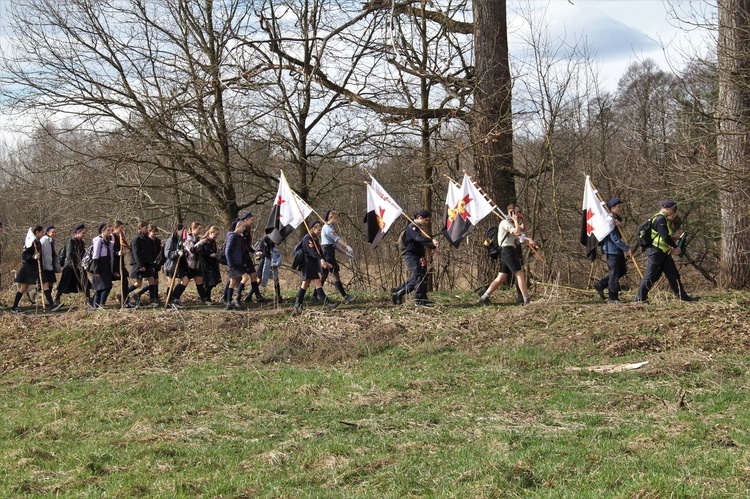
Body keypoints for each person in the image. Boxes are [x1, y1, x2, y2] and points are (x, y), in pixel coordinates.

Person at [635, 200, 698, 303]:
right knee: (650, 275)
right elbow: (664, 237)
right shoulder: (660, 219)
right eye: (674, 210)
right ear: (670, 209)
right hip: (656, 252)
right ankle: (640, 299)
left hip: (663, 252)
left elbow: (663, 235)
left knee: (673, 274)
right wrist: (675, 246)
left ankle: (683, 297)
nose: (674, 213)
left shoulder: (662, 219)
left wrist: (673, 238)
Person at [477, 204, 536, 306]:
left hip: (509, 250)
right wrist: (516, 221)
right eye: (514, 212)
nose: (516, 214)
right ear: (509, 212)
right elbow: (517, 232)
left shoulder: (512, 223)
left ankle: (484, 297)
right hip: (506, 251)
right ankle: (527, 299)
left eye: (517, 212)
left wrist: (522, 220)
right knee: (519, 273)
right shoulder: (505, 223)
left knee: (501, 277)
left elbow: (522, 230)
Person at [391, 210, 439, 306]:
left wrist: (423, 256)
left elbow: (418, 244)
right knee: (419, 276)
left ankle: (400, 292)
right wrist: (432, 243)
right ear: (420, 217)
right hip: (410, 254)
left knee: (423, 275)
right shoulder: (411, 227)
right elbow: (419, 239)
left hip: (417, 254)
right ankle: (418, 300)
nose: (427, 222)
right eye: (426, 220)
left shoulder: (417, 228)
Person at [292, 220, 339, 312]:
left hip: (313, 263)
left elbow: (319, 252)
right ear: (313, 229)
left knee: (306, 284)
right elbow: (313, 252)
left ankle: (298, 303)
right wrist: (320, 260)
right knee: (315, 283)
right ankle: (326, 303)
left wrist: (325, 261)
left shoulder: (316, 239)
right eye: (318, 231)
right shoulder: (307, 239)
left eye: (320, 231)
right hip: (307, 263)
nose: (320, 233)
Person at [592, 198, 633, 304]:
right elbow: (615, 239)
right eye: (618, 206)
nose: (620, 208)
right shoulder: (609, 221)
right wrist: (627, 248)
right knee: (614, 273)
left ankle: (601, 284)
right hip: (612, 250)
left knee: (622, 270)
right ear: (612, 208)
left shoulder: (614, 219)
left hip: (617, 251)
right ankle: (613, 297)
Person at [318, 210, 356, 304]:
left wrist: (346, 253)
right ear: (330, 218)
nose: (337, 220)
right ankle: (345, 297)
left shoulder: (331, 227)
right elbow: (337, 240)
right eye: (335, 218)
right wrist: (347, 246)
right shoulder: (327, 228)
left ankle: (315, 296)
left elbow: (335, 245)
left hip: (329, 250)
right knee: (335, 273)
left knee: (324, 274)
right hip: (327, 252)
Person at [10, 225, 44, 314]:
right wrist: (34, 257)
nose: (43, 234)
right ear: (37, 232)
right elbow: (24, 256)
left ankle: (16, 306)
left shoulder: (37, 242)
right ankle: (14, 307)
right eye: (42, 232)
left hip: (34, 268)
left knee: (42, 283)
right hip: (27, 268)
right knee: (23, 287)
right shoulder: (30, 242)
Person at [55, 224, 90, 306]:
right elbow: (69, 254)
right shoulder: (71, 241)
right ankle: (56, 298)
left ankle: (88, 300)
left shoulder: (81, 242)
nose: (84, 235)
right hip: (70, 267)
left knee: (85, 282)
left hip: (79, 266)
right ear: (77, 233)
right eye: (83, 233)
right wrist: (74, 265)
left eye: (85, 233)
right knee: (64, 283)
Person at [131, 224, 164, 307]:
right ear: (140, 228)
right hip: (141, 264)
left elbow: (151, 252)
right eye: (145, 228)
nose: (146, 229)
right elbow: (136, 253)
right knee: (138, 283)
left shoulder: (146, 239)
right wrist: (140, 265)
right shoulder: (136, 239)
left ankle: (153, 299)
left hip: (149, 263)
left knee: (152, 280)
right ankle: (125, 293)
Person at [183, 221, 211, 304]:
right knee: (185, 282)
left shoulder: (197, 238)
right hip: (189, 264)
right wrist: (201, 242)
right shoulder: (188, 238)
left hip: (197, 264)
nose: (200, 231)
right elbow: (192, 249)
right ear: (193, 229)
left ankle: (204, 299)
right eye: (199, 229)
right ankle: (175, 297)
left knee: (199, 281)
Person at [163, 224, 189, 309]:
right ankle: (169, 301)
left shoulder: (180, 240)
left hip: (179, 265)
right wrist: (176, 253)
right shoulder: (171, 240)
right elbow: (167, 253)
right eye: (182, 231)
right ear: (177, 230)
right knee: (171, 284)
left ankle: (175, 298)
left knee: (185, 280)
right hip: (171, 265)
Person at [112, 220, 137, 308]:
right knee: (123, 280)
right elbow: (110, 250)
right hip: (114, 264)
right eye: (120, 228)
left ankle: (125, 299)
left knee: (125, 279)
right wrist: (116, 253)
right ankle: (125, 300)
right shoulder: (112, 236)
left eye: (122, 228)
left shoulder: (119, 236)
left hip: (120, 262)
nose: (122, 230)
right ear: (115, 228)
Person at [91, 223, 115, 309]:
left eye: (111, 230)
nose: (110, 232)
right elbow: (95, 255)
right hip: (100, 266)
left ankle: (95, 305)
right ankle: (101, 304)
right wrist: (96, 270)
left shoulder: (108, 241)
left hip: (106, 266)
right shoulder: (98, 240)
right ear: (102, 231)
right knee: (107, 286)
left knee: (101, 288)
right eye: (108, 230)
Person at [196, 225, 222, 304]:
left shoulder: (213, 242)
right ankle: (205, 298)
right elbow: (202, 252)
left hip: (212, 263)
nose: (216, 236)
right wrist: (209, 254)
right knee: (209, 282)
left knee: (213, 282)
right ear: (211, 233)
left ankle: (208, 297)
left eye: (217, 235)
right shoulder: (205, 241)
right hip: (206, 264)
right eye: (215, 234)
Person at [40, 226, 63, 311]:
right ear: (47, 233)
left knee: (51, 282)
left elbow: (54, 255)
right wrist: (42, 265)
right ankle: (49, 302)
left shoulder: (53, 241)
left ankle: (48, 300)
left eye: (55, 232)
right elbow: (42, 254)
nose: (54, 234)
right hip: (45, 265)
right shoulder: (44, 240)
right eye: (53, 232)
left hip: (51, 265)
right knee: (45, 283)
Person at [256, 233, 283, 303]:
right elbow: (263, 252)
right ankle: (249, 296)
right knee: (259, 279)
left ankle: (278, 296)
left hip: (271, 261)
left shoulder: (272, 241)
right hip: (264, 261)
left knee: (276, 279)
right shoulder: (264, 239)